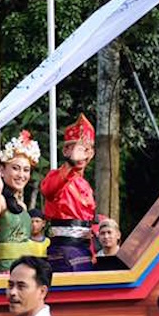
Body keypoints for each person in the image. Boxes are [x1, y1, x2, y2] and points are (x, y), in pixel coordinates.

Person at [0, 131, 46, 274]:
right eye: (15, 168)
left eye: (26, 170)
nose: (21, 175)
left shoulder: (22, 205)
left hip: (23, 270)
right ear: (2, 170)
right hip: (3, 273)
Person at [41, 114, 97, 272]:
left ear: (91, 153)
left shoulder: (85, 185)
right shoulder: (56, 176)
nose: (81, 153)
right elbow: (47, 190)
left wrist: (92, 250)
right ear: (65, 151)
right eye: (75, 147)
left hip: (83, 251)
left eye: (85, 149)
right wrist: (71, 162)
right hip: (63, 252)